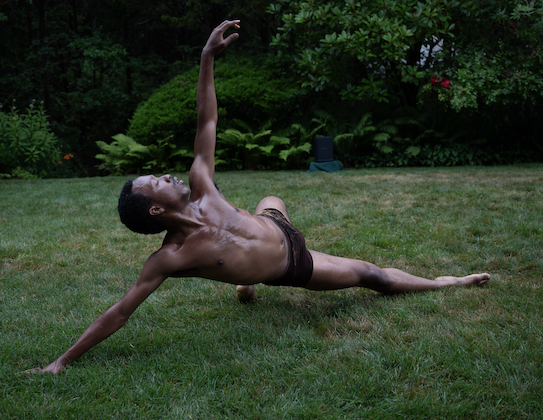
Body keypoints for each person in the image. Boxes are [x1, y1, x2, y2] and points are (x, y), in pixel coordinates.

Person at [29, 20, 490, 375]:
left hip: (275, 227)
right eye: (158, 180)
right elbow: (120, 311)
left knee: (272, 200)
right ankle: (448, 282)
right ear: (156, 208)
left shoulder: (201, 182)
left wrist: (207, 57)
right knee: (370, 276)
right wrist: (61, 361)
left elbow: (206, 120)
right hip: (290, 266)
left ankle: (254, 247)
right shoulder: (168, 258)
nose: (168, 174)